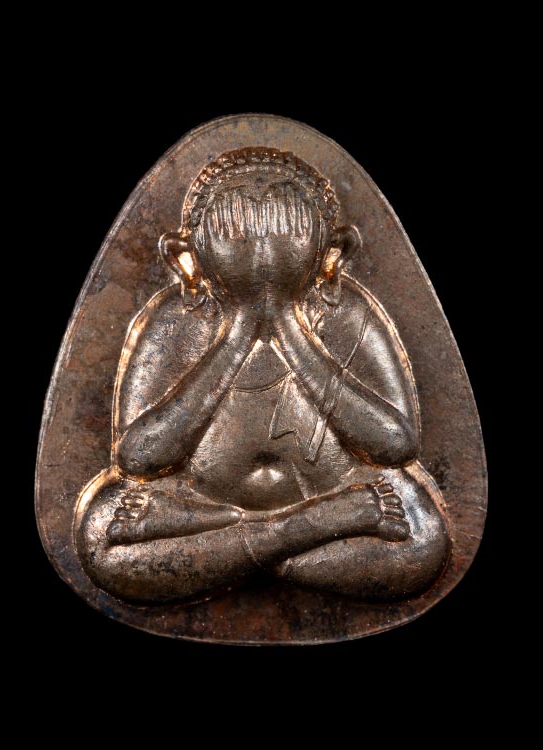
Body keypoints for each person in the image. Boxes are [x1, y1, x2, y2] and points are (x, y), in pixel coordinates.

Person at [76, 147, 450, 604]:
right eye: (234, 233)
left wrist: (290, 330)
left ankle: (237, 551)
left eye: (290, 231)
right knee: (100, 535)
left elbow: (395, 444)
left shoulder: (346, 315)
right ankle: (307, 529)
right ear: (185, 257)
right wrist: (236, 337)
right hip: (212, 505)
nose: (263, 254)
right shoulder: (176, 321)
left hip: (204, 525)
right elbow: (138, 457)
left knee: (423, 538)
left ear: (333, 252)